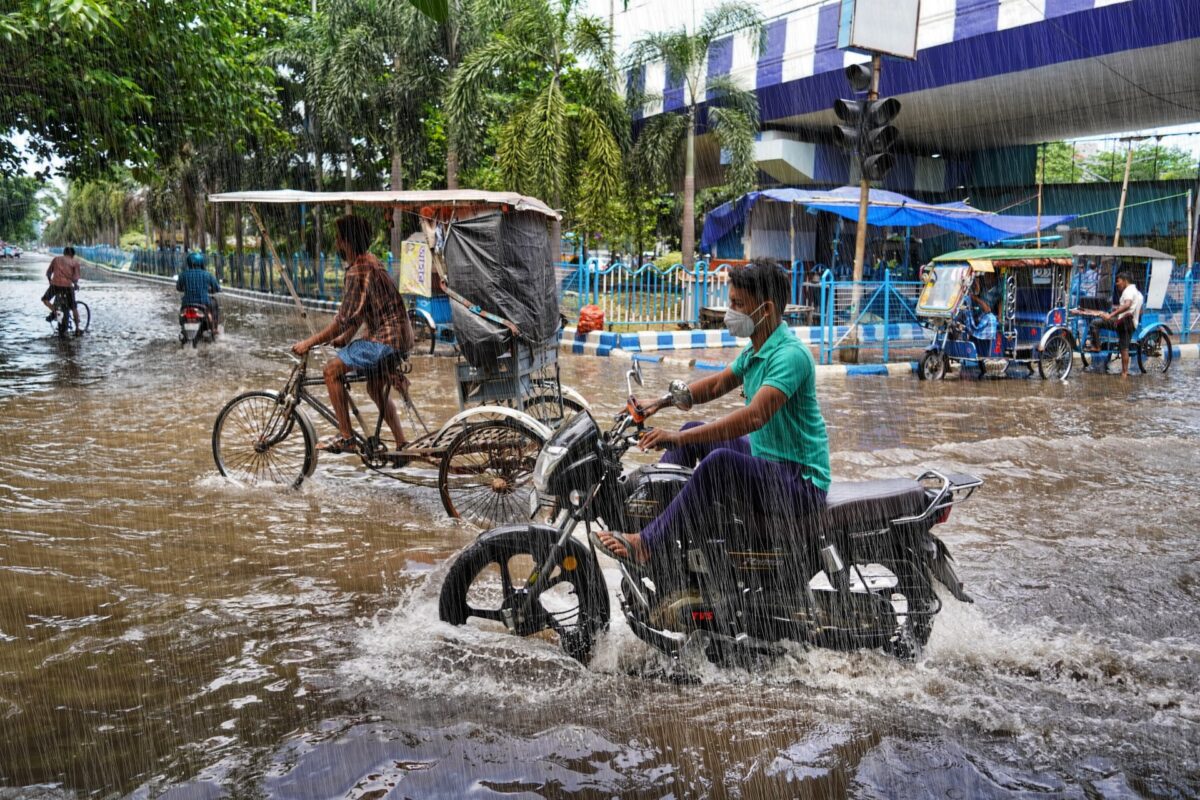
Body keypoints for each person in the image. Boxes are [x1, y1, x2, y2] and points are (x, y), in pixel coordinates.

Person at [594, 260, 831, 568]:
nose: (729, 311)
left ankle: (647, 544)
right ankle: (659, 517)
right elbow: (719, 383)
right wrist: (661, 401)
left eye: (737, 304)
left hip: (799, 481)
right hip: (768, 462)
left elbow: (754, 417)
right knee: (694, 429)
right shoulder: (756, 348)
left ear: (766, 309)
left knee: (717, 462)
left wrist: (676, 438)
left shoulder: (790, 356)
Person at [291, 214, 414, 453]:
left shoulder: (358, 269)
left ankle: (346, 436)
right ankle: (401, 443)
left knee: (331, 371)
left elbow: (342, 319)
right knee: (374, 387)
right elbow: (359, 312)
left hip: (385, 339)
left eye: (338, 239)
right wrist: (345, 339)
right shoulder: (369, 262)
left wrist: (309, 342)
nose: (336, 244)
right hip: (398, 337)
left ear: (347, 241)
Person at [1086, 270, 1143, 377]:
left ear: (1125, 281)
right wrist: (1115, 309)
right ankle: (1124, 374)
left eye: (1118, 281)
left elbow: (1127, 305)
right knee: (1124, 348)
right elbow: (1133, 308)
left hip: (1123, 322)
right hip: (1130, 323)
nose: (1117, 284)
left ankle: (1097, 345)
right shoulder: (1136, 292)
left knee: (1095, 323)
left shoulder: (1128, 291)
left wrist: (1110, 315)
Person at [176, 252, 222, 332]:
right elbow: (217, 288)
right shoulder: (207, 275)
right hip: (203, 303)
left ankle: (183, 328)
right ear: (202, 263)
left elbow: (179, 288)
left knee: (182, 312)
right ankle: (214, 328)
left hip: (186, 303)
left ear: (188, 263)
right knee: (214, 303)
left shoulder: (183, 275)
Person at [41, 246, 83, 334]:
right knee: (73, 307)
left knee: (45, 300)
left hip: (55, 286)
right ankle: (78, 329)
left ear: (64, 253)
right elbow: (75, 278)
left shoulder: (56, 259)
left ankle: (55, 311)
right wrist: (75, 285)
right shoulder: (75, 262)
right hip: (68, 286)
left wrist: (50, 282)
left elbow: (48, 273)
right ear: (72, 254)